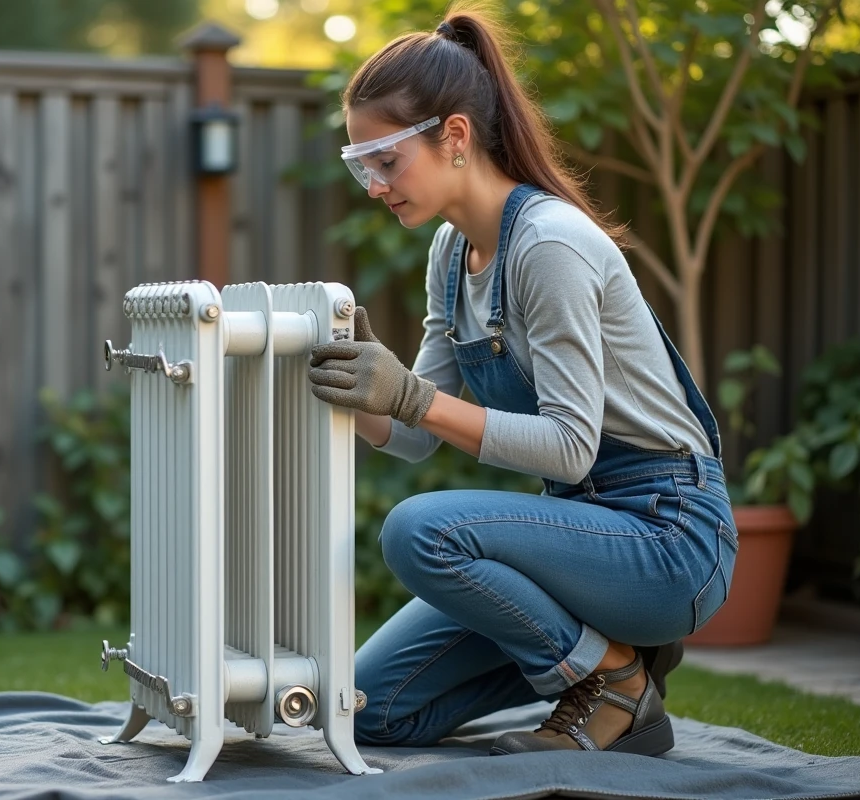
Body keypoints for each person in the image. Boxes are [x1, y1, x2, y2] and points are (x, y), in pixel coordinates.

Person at [306, 6, 737, 757]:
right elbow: (413, 437)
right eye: (360, 164)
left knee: (418, 531)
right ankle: (613, 655)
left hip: (667, 536)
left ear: (455, 136)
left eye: (386, 160)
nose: (373, 185)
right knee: (366, 710)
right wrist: (354, 389)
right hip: (580, 537)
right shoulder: (451, 252)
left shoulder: (549, 244)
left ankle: (615, 682)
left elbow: (571, 448)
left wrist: (411, 395)